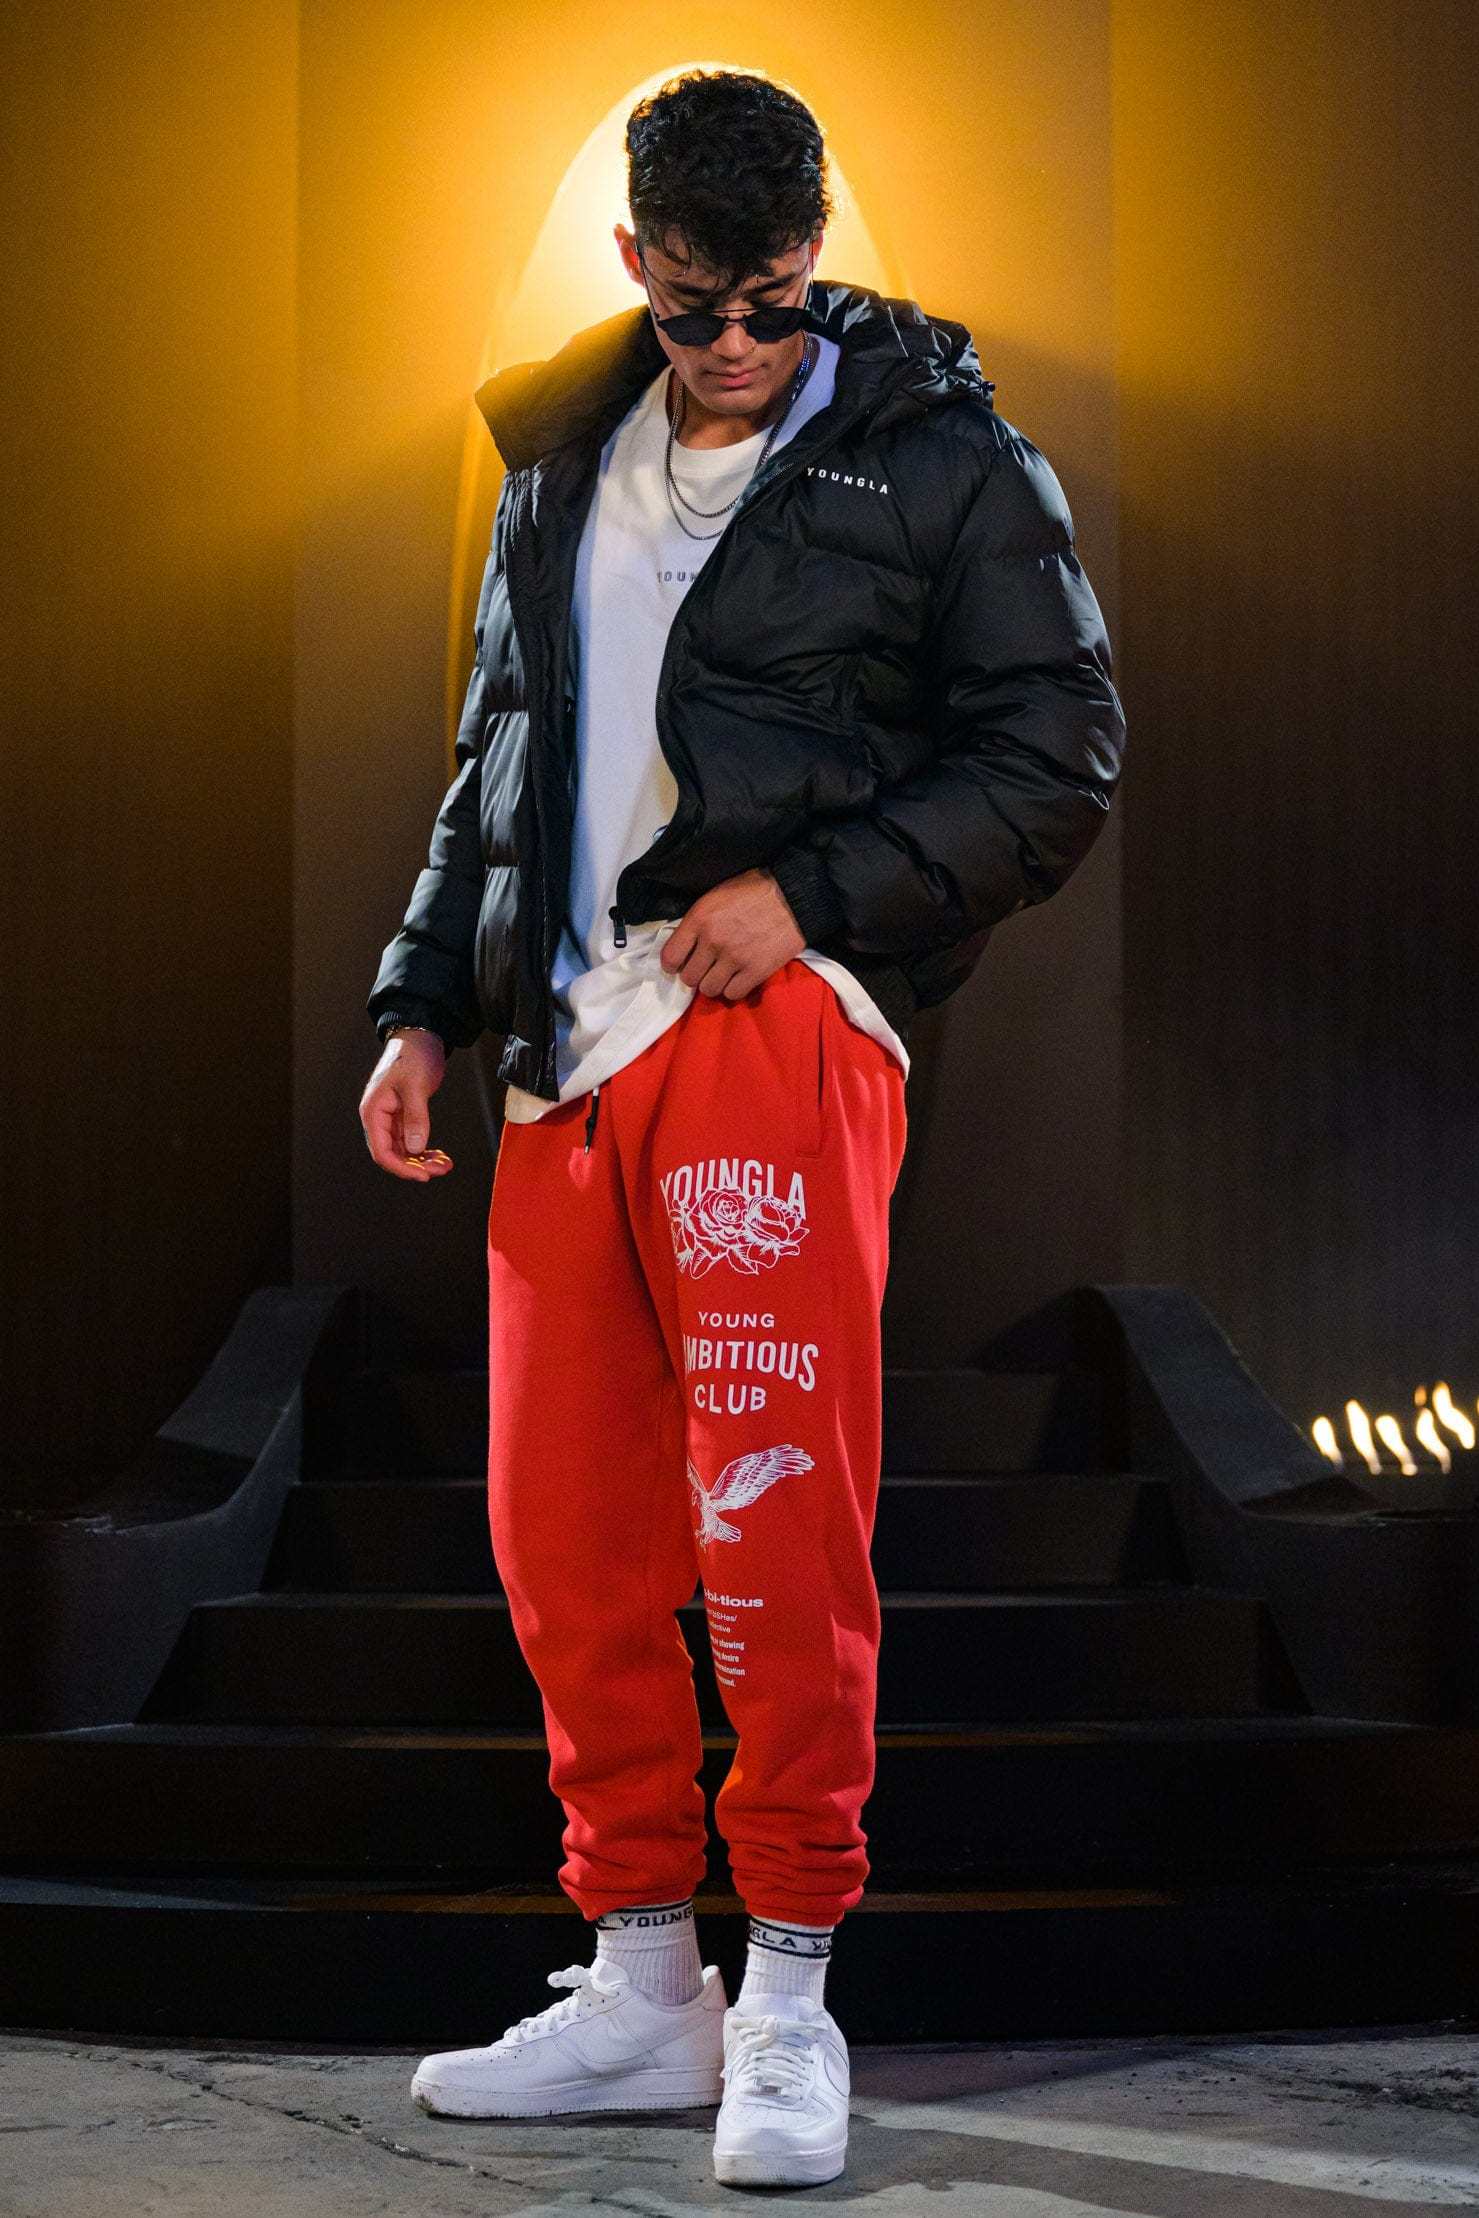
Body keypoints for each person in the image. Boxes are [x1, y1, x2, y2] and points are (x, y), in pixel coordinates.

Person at [359, 67, 1125, 2192]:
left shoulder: (944, 454)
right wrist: (422, 1000)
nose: (735, 344)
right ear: (636, 260)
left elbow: (1060, 750)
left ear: (817, 252)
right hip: (559, 1045)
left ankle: (787, 1983)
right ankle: (642, 1982)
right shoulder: (555, 451)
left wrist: (815, 896)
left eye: (774, 300)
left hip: (771, 1020)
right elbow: (500, 752)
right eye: (695, 303)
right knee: (564, 1532)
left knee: (771, 1515)